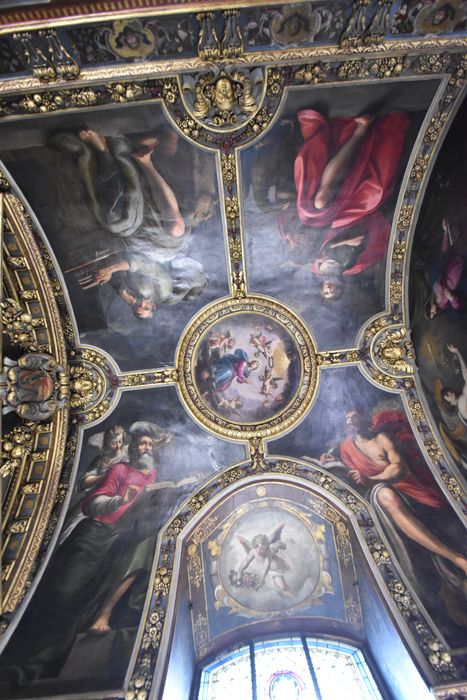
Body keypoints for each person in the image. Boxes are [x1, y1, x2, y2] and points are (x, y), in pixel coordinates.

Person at [0, 423, 169, 686]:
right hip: (94, 535)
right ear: (132, 446)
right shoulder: (119, 469)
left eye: (150, 444)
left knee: (87, 603)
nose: (146, 448)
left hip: (117, 543)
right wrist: (120, 501)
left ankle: (38, 666)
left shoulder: (153, 477)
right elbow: (92, 504)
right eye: (142, 443)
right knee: (66, 593)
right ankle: (16, 658)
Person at [321, 409, 467, 576]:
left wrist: (371, 480)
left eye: (354, 416)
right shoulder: (345, 449)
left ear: (364, 418)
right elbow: (354, 478)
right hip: (381, 497)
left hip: (409, 489)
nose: (350, 420)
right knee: (385, 495)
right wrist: (336, 464)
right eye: (347, 418)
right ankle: (456, 559)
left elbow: (400, 468)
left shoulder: (381, 439)